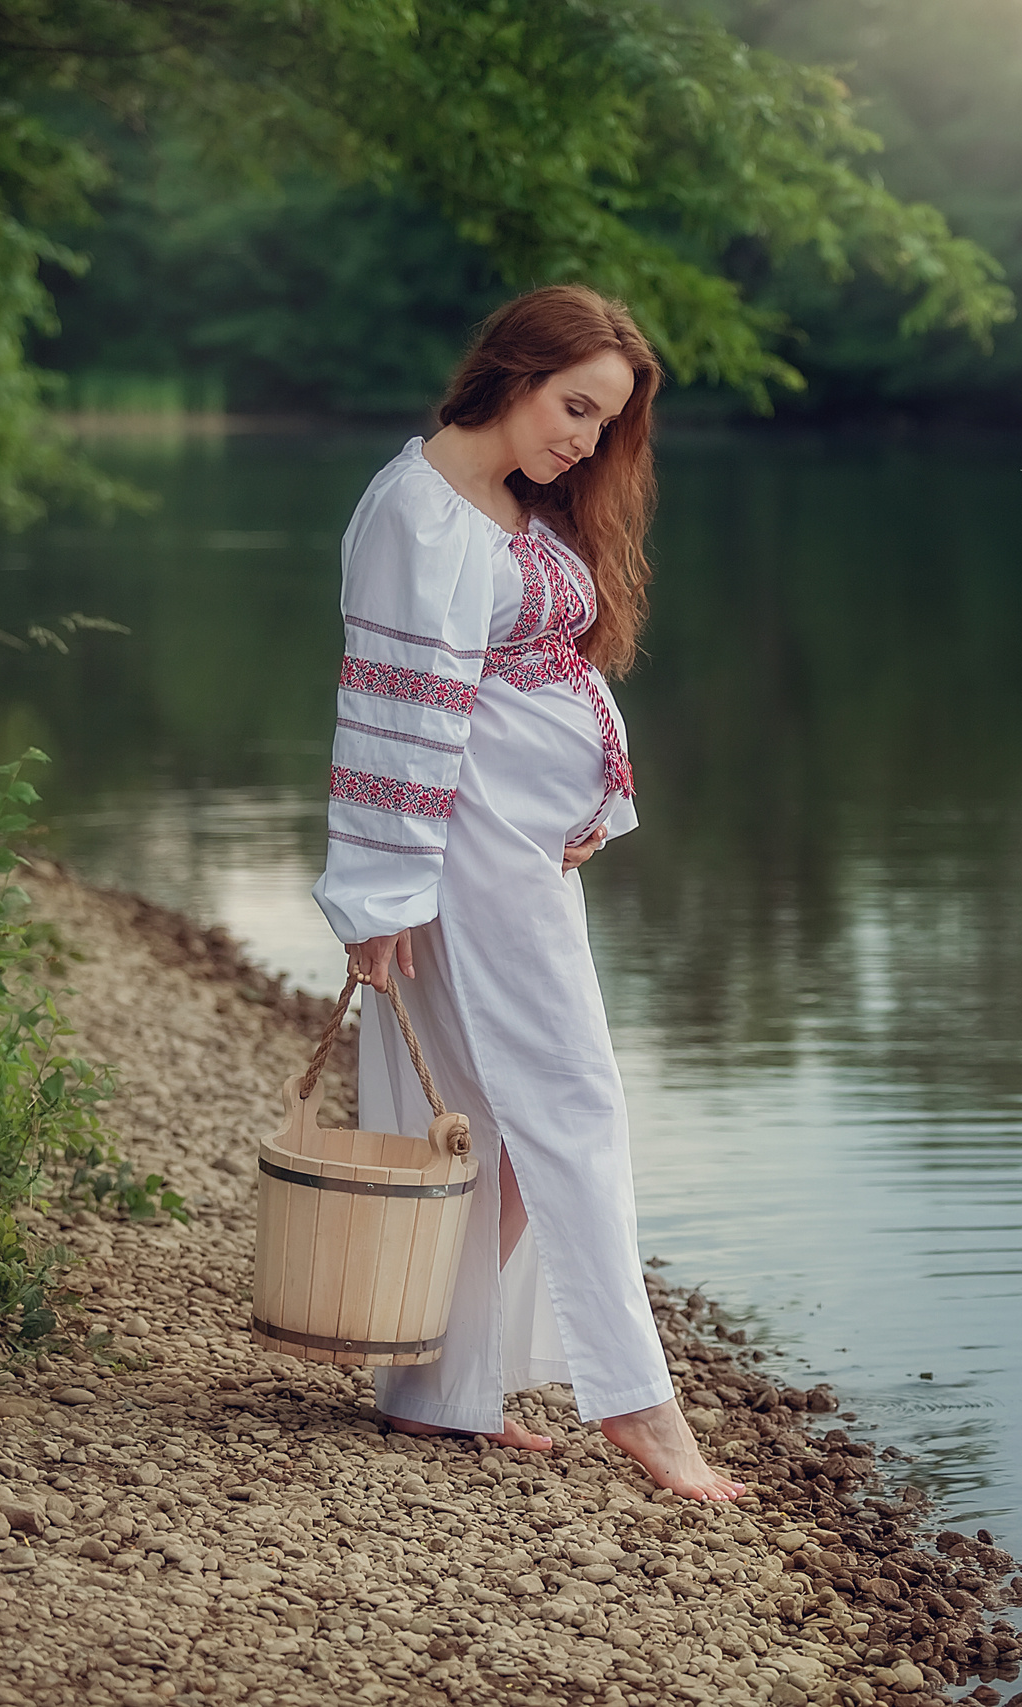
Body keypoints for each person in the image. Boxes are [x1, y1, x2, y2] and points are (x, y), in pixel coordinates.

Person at [309, 285, 745, 1501]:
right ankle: (641, 1405)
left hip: (518, 845)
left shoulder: (509, 504)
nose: (587, 441)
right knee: (571, 1098)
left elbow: (536, 674)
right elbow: (393, 711)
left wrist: (592, 803)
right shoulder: (416, 511)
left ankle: (443, 1392)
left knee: (502, 1121)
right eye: (575, 407)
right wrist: (379, 896)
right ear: (510, 370)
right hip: (463, 852)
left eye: (606, 423)